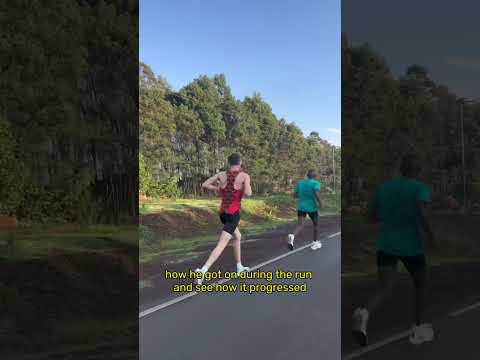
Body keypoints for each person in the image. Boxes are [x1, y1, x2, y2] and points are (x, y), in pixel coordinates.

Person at [352, 155, 436, 346]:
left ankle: (364, 312)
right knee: (421, 285)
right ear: (417, 171)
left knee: (385, 287)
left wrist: (388, 218)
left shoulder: (384, 188)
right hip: (411, 247)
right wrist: (430, 235)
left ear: (401, 169)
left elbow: (370, 216)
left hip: (386, 244)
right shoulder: (420, 188)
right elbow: (422, 212)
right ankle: (417, 329)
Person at [194, 153, 252, 285]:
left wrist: (218, 188)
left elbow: (205, 184)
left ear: (229, 162)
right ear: (240, 162)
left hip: (223, 213)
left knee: (237, 236)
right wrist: (243, 186)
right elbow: (248, 193)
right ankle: (202, 270)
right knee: (221, 244)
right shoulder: (244, 176)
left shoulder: (221, 174)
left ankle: (239, 267)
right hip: (233, 215)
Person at [287, 169, 323, 251]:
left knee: (300, 225)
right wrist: (320, 203)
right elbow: (317, 194)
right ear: (315, 176)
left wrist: (302, 195)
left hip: (301, 207)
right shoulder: (316, 183)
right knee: (316, 225)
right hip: (312, 208)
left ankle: (292, 236)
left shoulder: (300, 183)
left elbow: (294, 195)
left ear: (307, 175)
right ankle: (315, 243)